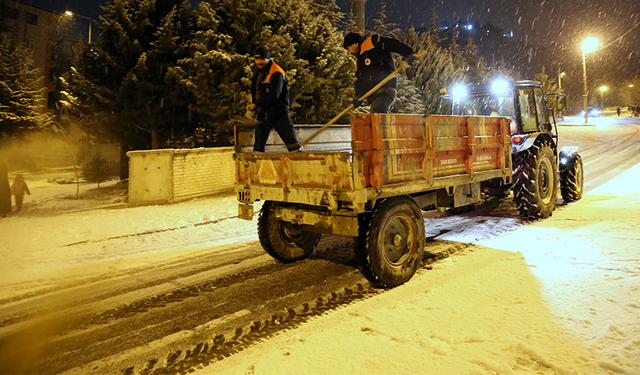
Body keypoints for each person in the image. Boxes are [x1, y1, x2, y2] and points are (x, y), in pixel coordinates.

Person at [343, 32, 417, 113]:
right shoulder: (359, 63)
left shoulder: (372, 42)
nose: (349, 52)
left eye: (348, 48)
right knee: (375, 118)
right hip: (374, 96)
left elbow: (393, 44)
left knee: (377, 113)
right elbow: (359, 81)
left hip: (385, 90)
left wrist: (408, 53)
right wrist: (358, 96)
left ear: (355, 44)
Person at [246, 46, 301, 153]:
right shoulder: (259, 71)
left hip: (278, 113)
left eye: (262, 59)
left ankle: (299, 163)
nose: (259, 62)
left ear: (268, 58)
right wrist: (252, 97)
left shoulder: (276, 72)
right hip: (263, 113)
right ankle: (257, 167)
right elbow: (256, 88)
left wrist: (256, 104)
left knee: (293, 145)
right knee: (258, 148)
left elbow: (274, 95)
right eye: (257, 59)